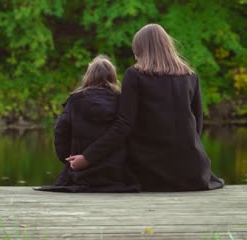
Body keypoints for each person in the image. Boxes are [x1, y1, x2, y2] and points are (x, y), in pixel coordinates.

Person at [67, 24, 224, 191]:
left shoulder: (134, 75)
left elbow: (123, 126)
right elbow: (197, 126)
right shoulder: (191, 77)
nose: (135, 58)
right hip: (194, 172)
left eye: (136, 51)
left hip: (151, 172)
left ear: (141, 51)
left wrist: (88, 157)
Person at [36, 55, 139, 192]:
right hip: (115, 176)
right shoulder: (122, 103)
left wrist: (70, 161)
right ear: (113, 78)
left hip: (81, 176)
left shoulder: (75, 101)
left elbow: (60, 134)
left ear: (88, 76)